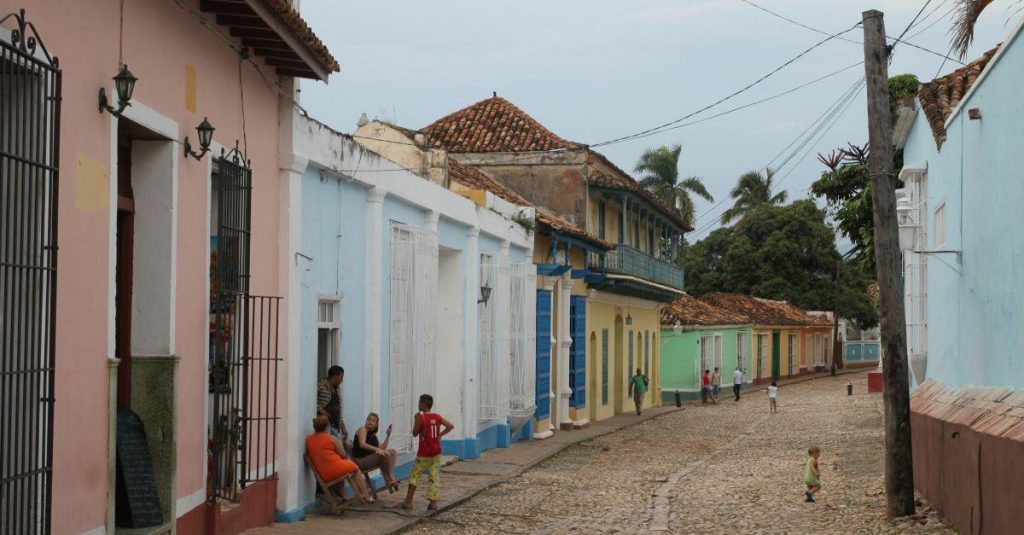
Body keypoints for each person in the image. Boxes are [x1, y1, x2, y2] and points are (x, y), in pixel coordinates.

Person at [399, 394, 453, 511]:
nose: (418, 405)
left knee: (414, 475)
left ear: (423, 404)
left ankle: (408, 502)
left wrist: (416, 419)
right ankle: (433, 503)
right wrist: (440, 435)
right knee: (434, 476)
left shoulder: (421, 417)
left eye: (419, 403)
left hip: (424, 453)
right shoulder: (437, 417)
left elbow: (414, 433)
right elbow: (450, 426)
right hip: (436, 452)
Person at [305, 414, 374, 503]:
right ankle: (366, 495)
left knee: (342, 469)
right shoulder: (331, 438)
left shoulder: (308, 439)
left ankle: (345, 496)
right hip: (334, 469)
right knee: (355, 468)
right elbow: (343, 454)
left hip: (323, 473)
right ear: (327, 426)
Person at [352, 412, 400, 491]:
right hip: (360, 460)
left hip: (369, 459)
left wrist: (388, 435)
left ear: (376, 424)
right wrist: (377, 449)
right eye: (369, 419)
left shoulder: (373, 435)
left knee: (393, 452)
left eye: (373, 420)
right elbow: (362, 444)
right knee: (385, 454)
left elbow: (382, 449)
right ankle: (390, 477)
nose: (370, 422)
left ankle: (389, 476)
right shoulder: (362, 429)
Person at [317, 366, 348, 442]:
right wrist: (320, 410)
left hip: (335, 426)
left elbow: (338, 409)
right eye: (341, 377)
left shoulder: (337, 390)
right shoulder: (321, 385)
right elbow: (311, 401)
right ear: (334, 376)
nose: (342, 380)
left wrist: (343, 427)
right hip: (324, 425)